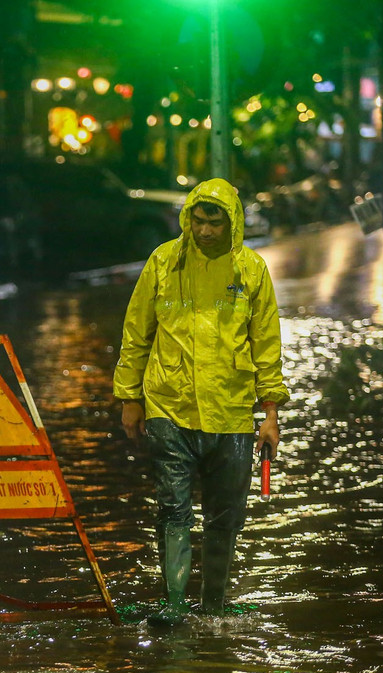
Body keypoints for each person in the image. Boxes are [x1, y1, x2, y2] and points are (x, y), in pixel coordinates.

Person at [113, 178, 288, 619]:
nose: (205, 230)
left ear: (233, 224)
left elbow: (266, 345)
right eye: (198, 220)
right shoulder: (163, 262)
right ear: (187, 219)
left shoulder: (251, 271)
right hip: (168, 405)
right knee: (172, 509)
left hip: (231, 411)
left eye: (215, 222)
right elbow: (137, 333)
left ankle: (213, 607)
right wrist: (129, 397)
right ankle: (173, 605)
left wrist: (270, 413)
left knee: (225, 515)